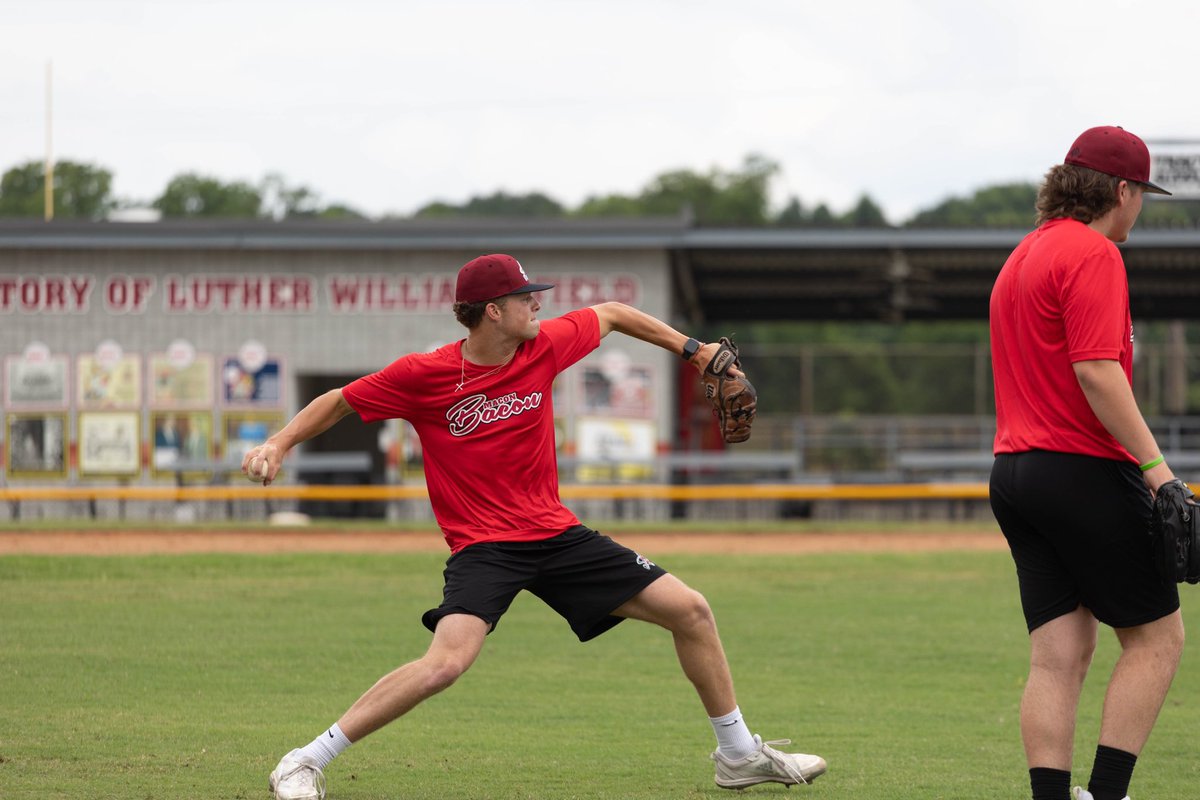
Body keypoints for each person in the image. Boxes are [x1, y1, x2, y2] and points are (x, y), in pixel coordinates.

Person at [243, 253, 827, 800]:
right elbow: (341, 400)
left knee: (691, 611)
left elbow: (614, 314)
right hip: (486, 547)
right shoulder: (425, 374)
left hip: (556, 535)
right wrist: (279, 441)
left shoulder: (543, 347)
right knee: (446, 663)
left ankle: (738, 754)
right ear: (492, 311)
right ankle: (304, 759)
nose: (538, 305)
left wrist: (695, 351)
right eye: (526, 297)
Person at [988, 126, 1185, 800]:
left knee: (1059, 656)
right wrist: (1159, 472)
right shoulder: (1093, 254)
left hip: (1015, 473)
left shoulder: (1025, 254)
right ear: (1122, 191)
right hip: (1081, 470)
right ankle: (1106, 796)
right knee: (1158, 640)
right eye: (1142, 196)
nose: (1140, 209)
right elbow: (1098, 371)